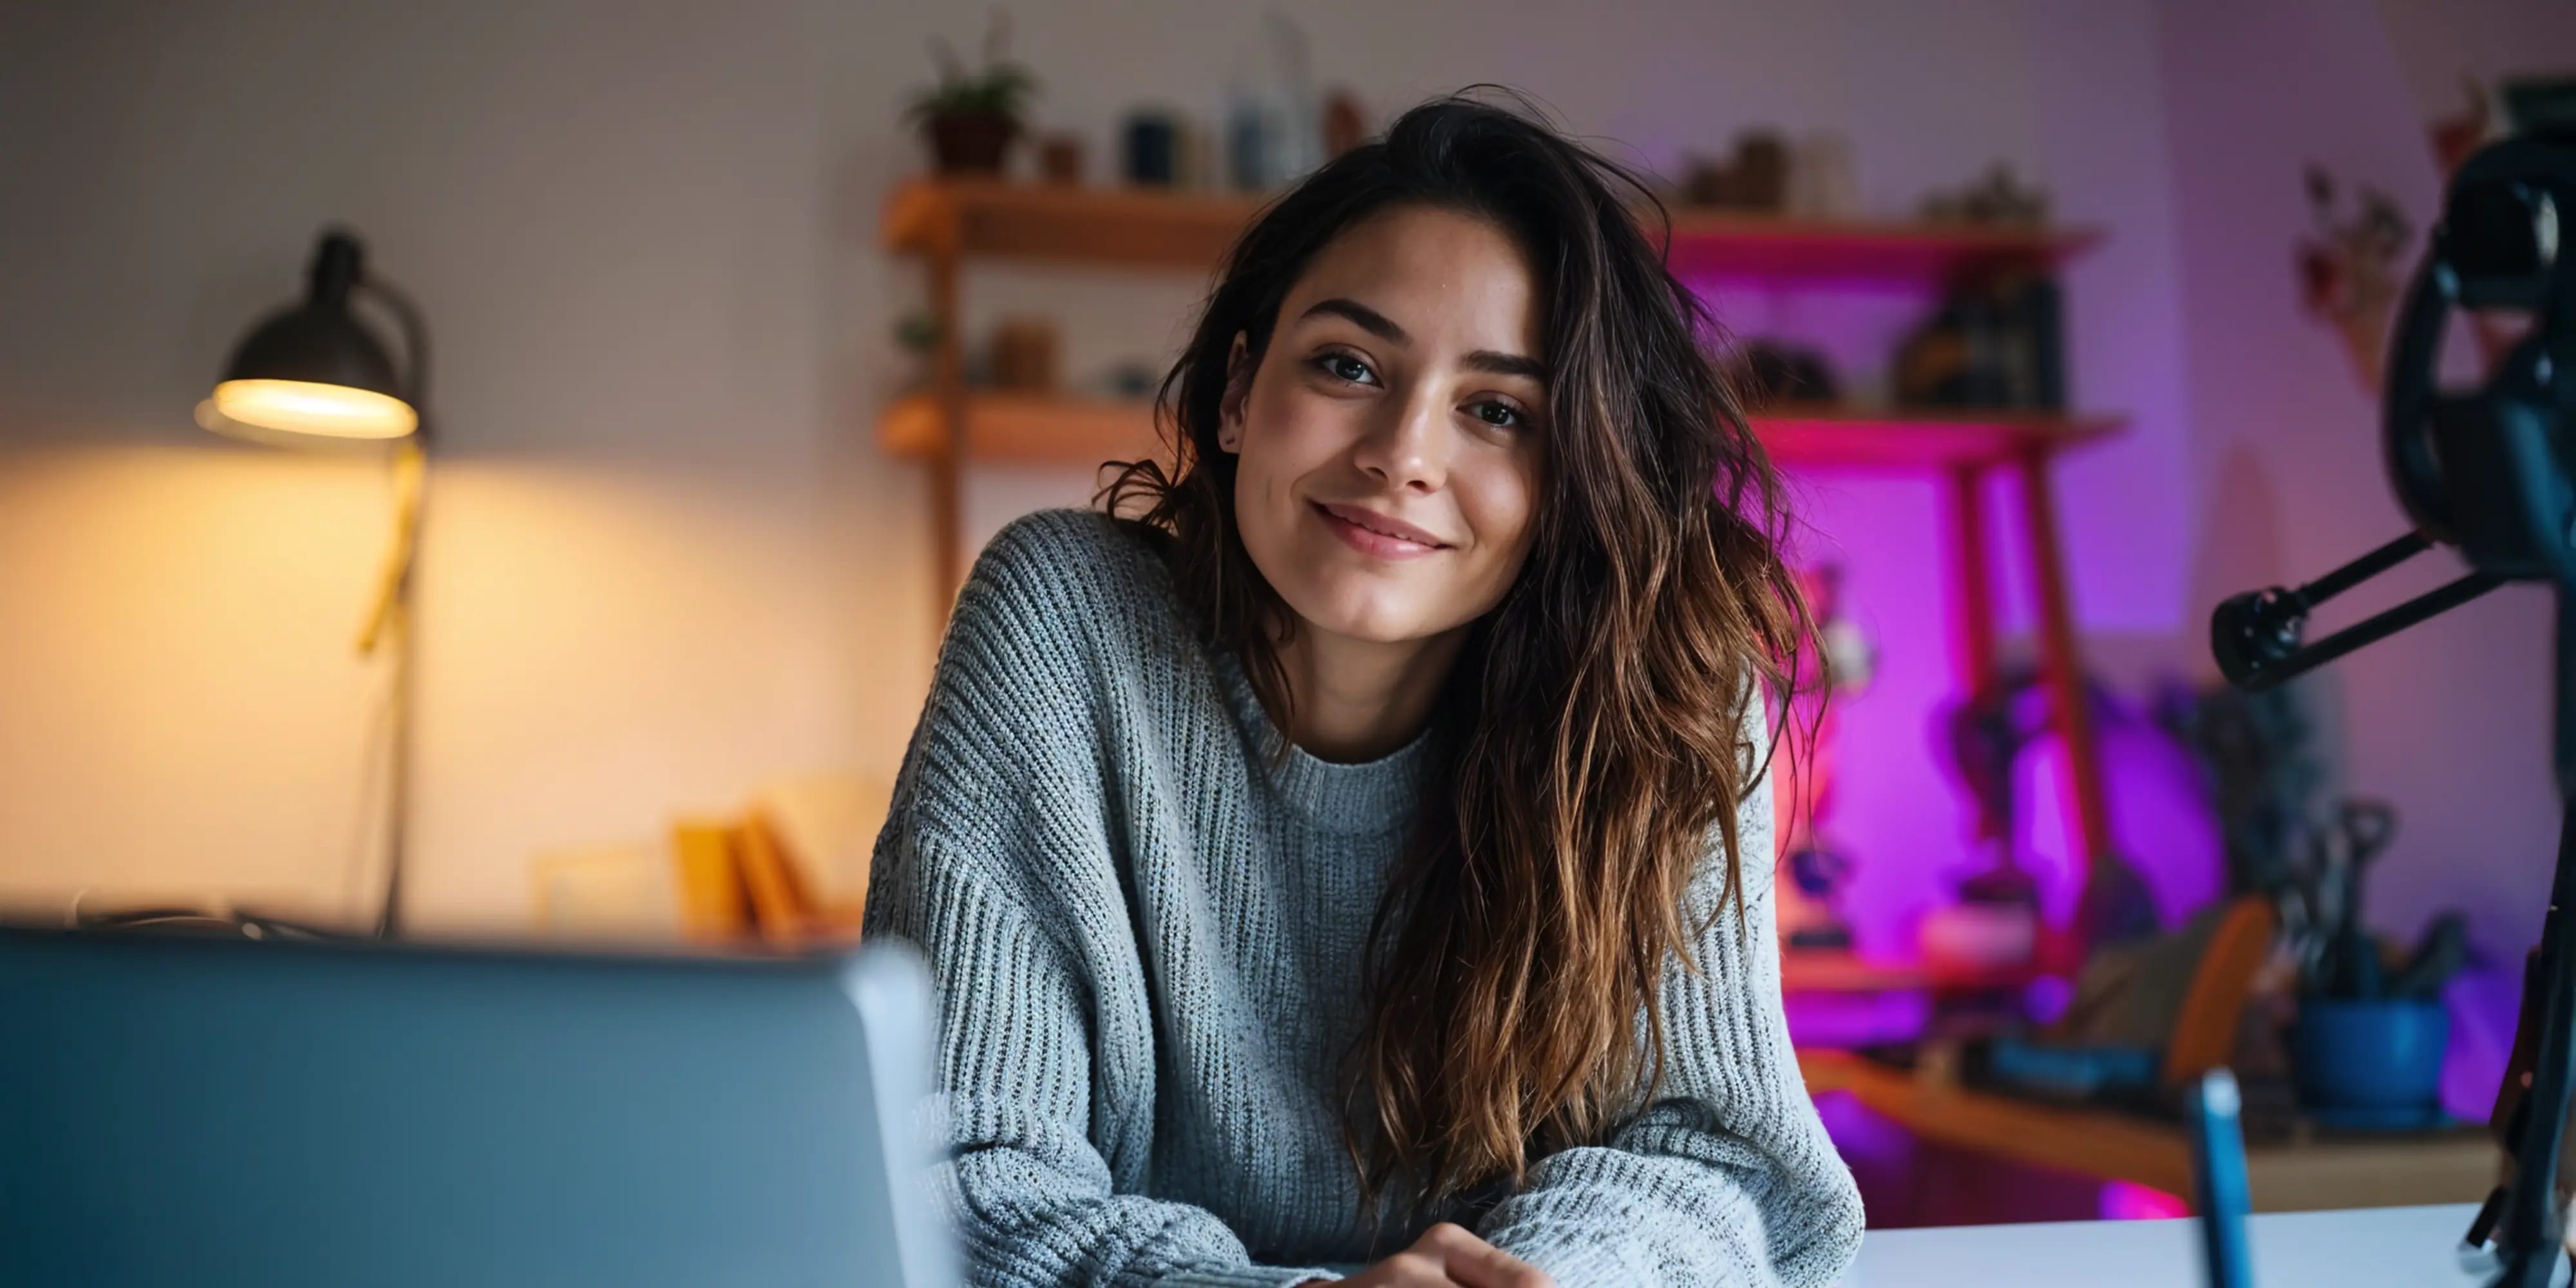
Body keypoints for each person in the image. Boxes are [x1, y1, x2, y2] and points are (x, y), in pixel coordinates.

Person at [865, 92, 1864, 1287]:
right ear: (1238, 394)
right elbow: (951, 1163)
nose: (1404, 453)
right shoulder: (1062, 625)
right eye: (1349, 365)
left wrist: (1539, 1281)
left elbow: (1725, 1158)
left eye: (1498, 411)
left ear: (1572, 477)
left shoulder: (1666, 699)